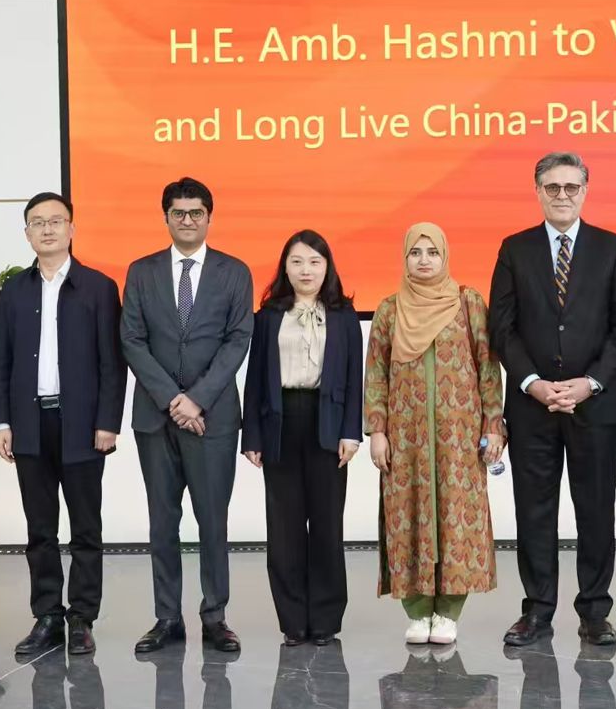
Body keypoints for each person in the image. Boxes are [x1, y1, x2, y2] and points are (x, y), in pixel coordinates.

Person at [489, 152, 616, 647]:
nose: (562, 195)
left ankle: (594, 612)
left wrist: (590, 382)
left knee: (595, 510)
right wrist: (532, 382)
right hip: (532, 407)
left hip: (595, 405)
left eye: (571, 187)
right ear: (537, 191)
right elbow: (501, 327)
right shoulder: (514, 249)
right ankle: (537, 611)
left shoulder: (612, 248)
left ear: (585, 191)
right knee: (534, 512)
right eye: (552, 187)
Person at [120, 177, 254, 655]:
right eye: (178, 212)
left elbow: (237, 339)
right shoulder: (141, 272)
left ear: (209, 217)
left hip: (213, 418)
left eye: (196, 212)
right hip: (155, 420)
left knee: (213, 521)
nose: (188, 220)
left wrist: (196, 399)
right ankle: (167, 618)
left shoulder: (234, 272)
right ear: (166, 218)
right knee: (162, 523)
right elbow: (132, 339)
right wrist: (172, 401)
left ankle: (215, 616)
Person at [0, 192, 124, 658]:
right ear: (27, 232)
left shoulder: (99, 287)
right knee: (40, 529)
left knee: (86, 527)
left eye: (56, 221)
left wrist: (108, 421)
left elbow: (112, 363)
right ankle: (47, 616)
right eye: (37, 222)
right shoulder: (14, 291)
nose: (47, 229)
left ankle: (82, 618)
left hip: (83, 425)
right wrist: (1, 422)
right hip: (29, 424)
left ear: (72, 229)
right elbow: (0, 362)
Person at [366, 222, 504, 644]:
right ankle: (417, 610)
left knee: (457, 517)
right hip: (404, 439)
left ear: (445, 257)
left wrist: (494, 425)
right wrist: (377, 430)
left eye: (432, 253)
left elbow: (487, 368)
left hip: (459, 438)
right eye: (415, 253)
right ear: (404, 259)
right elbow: (376, 375)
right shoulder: (390, 309)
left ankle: (448, 612)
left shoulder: (468, 303)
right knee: (408, 515)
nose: (424, 260)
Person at [242, 230, 363, 646]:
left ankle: (325, 618)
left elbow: (354, 379)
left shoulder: (344, 316)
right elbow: (255, 380)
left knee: (327, 524)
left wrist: (351, 433)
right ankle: (292, 620)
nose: (305, 270)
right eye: (296, 262)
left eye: (314, 261)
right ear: (285, 268)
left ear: (327, 267)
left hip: (327, 422)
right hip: (279, 423)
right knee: (285, 527)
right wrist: (252, 436)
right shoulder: (268, 316)